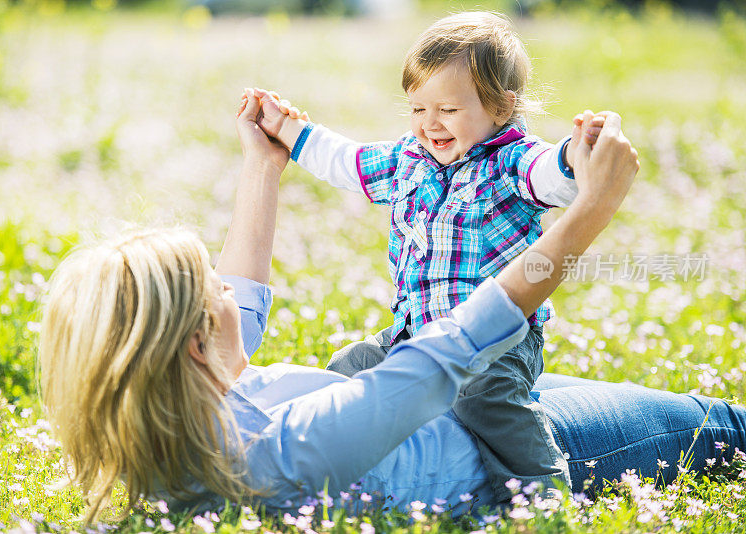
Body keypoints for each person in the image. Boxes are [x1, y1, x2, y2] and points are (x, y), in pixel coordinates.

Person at [39, 91, 745, 525]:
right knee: (721, 428)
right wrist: (592, 208)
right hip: (495, 444)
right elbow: (452, 346)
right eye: (214, 291)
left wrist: (262, 166)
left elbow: (241, 312)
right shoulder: (289, 452)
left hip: (471, 399)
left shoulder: (170, 426)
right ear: (193, 343)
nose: (232, 292)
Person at [248, 11, 610, 501]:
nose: (429, 124)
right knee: (347, 369)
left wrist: (576, 151)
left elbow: (551, 174)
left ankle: (539, 495)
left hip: (495, 344)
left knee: (488, 397)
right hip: (414, 335)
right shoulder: (406, 161)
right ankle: (337, 460)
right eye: (418, 109)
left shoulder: (510, 162)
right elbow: (344, 162)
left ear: (501, 108)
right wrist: (287, 131)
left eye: (448, 110)